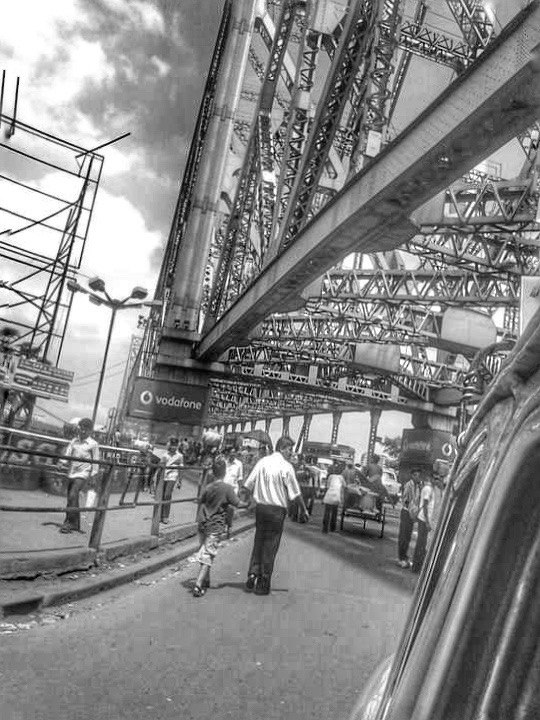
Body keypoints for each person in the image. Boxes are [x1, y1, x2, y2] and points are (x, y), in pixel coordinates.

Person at [243, 435, 309, 595]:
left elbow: (248, 484)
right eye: (289, 450)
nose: (291, 453)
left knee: (259, 540)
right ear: (282, 448)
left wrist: (247, 501)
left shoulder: (262, 462)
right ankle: (263, 582)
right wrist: (304, 509)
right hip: (277, 511)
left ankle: (252, 573)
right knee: (270, 546)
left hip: (261, 509)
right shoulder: (286, 467)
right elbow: (295, 492)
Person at [192, 455, 248, 597]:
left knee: (204, 551)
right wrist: (249, 504)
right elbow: (238, 504)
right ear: (224, 472)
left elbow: (200, 500)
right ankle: (198, 584)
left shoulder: (208, 487)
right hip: (215, 525)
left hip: (203, 523)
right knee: (208, 554)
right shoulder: (227, 488)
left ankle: (206, 579)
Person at [59, 418, 100, 534]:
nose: (83, 431)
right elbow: (68, 453)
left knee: (73, 494)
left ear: (90, 431)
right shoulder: (74, 441)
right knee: (71, 497)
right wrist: (62, 463)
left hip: (83, 474)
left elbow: (96, 461)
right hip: (71, 472)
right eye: (81, 428)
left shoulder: (93, 444)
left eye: (86, 429)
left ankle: (69, 523)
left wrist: (93, 476)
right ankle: (75, 523)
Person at [397, 468, 422, 568]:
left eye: (419, 475)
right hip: (406, 512)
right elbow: (405, 499)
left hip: (412, 513)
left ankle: (404, 557)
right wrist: (411, 507)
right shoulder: (408, 485)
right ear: (412, 476)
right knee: (403, 536)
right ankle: (401, 558)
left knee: (408, 536)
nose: (417, 477)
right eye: (416, 475)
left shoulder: (418, 486)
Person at [411, 474, 435, 573]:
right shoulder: (428, 489)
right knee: (421, 544)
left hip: (424, 519)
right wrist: (428, 522)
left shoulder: (429, 489)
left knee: (422, 544)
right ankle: (417, 566)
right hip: (424, 519)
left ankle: (418, 566)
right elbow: (425, 505)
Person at [159, 436, 184, 524]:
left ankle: (165, 516)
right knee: (162, 495)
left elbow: (181, 468)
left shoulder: (180, 456)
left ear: (177, 446)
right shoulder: (165, 455)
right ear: (169, 445)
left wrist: (180, 480)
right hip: (164, 476)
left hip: (173, 476)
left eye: (175, 445)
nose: (173, 447)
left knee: (167, 495)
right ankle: (160, 515)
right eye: (172, 445)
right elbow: (160, 466)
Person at [322, 461, 347, 533]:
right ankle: (332, 528)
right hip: (336, 497)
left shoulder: (331, 476)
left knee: (327, 512)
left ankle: (325, 528)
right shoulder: (341, 478)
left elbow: (327, 486)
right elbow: (345, 486)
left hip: (329, 495)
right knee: (334, 513)